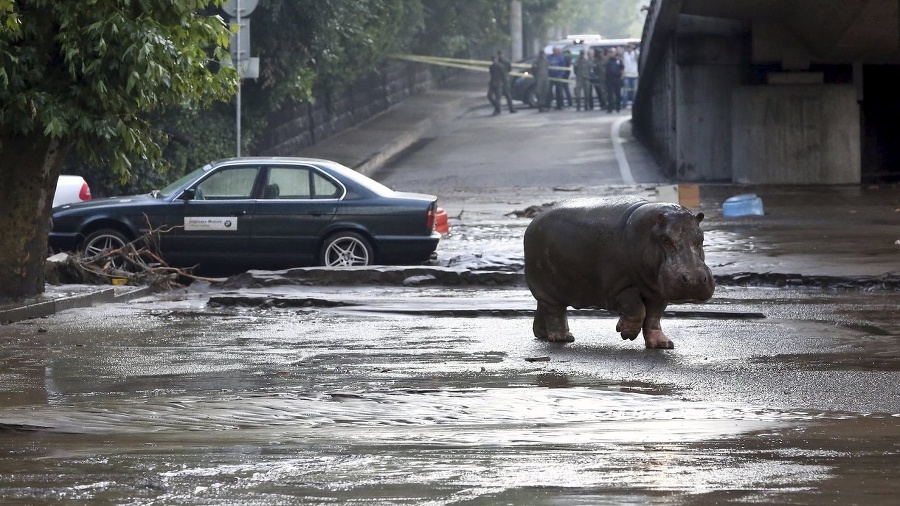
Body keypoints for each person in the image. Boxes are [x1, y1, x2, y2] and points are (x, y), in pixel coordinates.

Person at [604, 47, 625, 113]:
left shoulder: (618, 60)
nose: (611, 53)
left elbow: (622, 69)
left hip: (617, 78)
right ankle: (610, 108)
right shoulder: (607, 60)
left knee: (617, 94)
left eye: (612, 52)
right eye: (610, 52)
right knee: (610, 94)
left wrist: (622, 77)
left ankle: (618, 108)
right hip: (609, 79)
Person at [622, 43, 639, 108]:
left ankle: (634, 103)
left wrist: (634, 49)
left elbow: (637, 56)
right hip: (627, 75)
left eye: (630, 47)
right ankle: (624, 103)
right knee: (626, 90)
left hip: (634, 75)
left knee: (635, 90)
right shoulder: (624, 54)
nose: (629, 48)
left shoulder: (635, 53)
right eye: (628, 47)